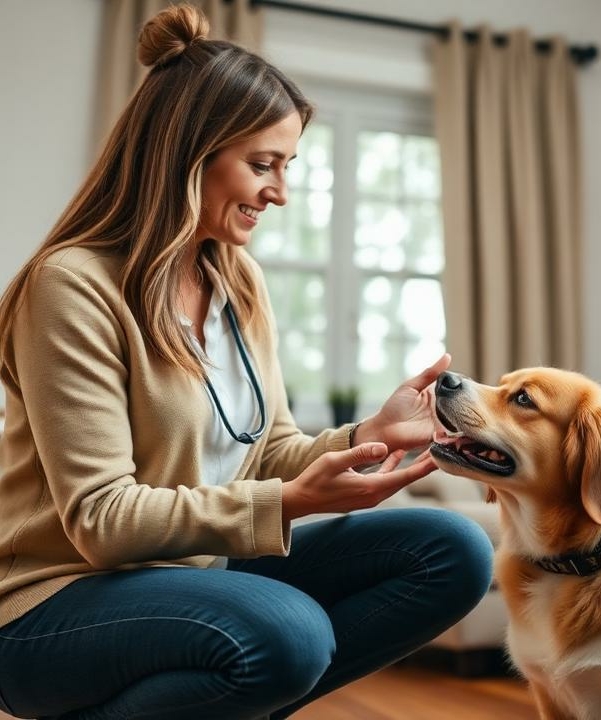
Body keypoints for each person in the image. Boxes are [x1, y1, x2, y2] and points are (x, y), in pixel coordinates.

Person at [0, 6, 493, 719]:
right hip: (52, 605)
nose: (280, 192)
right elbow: (102, 521)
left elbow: (267, 452)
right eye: (263, 164)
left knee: (452, 549)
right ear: (187, 154)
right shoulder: (71, 286)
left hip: (196, 576)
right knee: (285, 633)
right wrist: (289, 505)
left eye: (286, 166)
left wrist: (366, 437)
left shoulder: (237, 278)